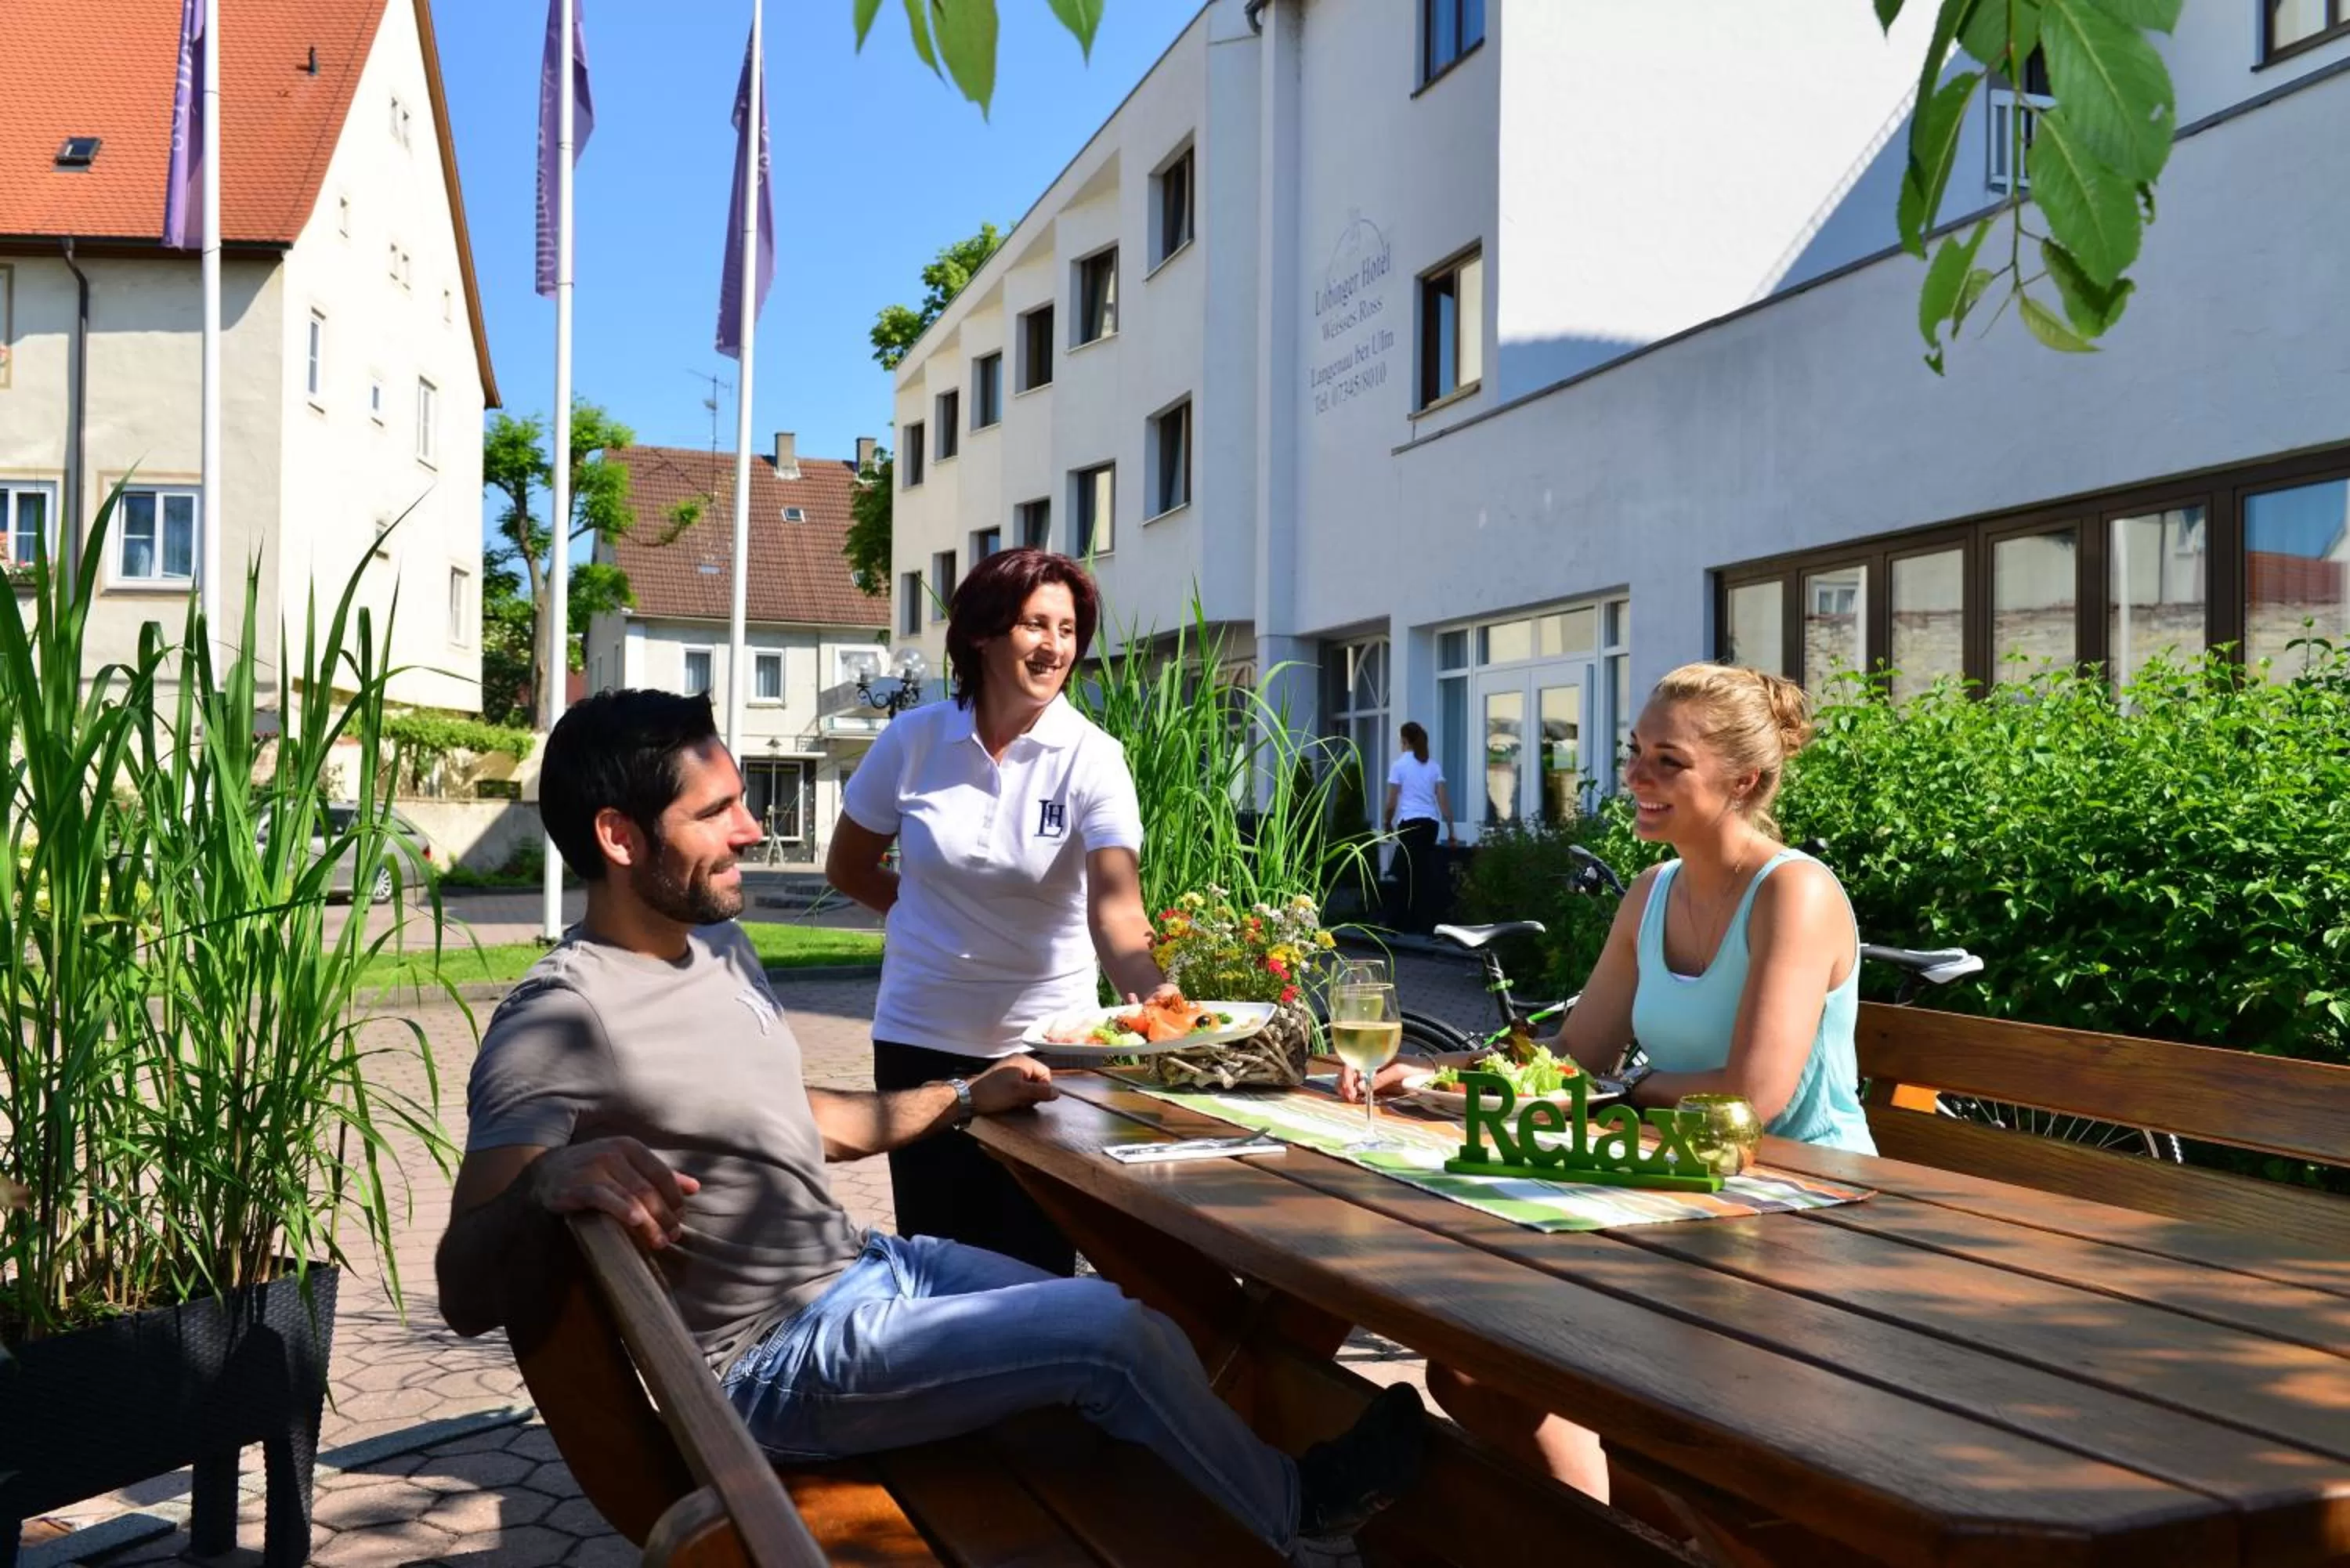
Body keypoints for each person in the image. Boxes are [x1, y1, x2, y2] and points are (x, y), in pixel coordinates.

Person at [433, 690, 1429, 1557]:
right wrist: (541, 1184)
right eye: (720, 811)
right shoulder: (561, 1015)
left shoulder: (716, 945)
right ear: (619, 837)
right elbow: (465, 1285)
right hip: (774, 1364)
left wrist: (963, 1096)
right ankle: (1298, 1515)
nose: (752, 831)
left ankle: (1216, 1503)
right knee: (1108, 1337)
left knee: (1136, 1319)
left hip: (870, 1270)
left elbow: (802, 1118)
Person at [1342, 662, 1868, 1504]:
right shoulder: (1650, 893)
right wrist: (1431, 1070)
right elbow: (1579, 1053)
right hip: (1676, 1193)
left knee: (1583, 1378)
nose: (1636, 778)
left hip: (1806, 1207)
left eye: (1668, 761)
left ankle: (1666, 1528)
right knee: (1474, 1368)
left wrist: (1618, 1093)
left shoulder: (1794, 892)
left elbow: (1751, 1098)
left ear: (1747, 780)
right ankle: (1633, 1533)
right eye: (1635, 754)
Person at [825, 549, 1174, 1277]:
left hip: (1045, 1048)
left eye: (1069, 629)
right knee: (936, 1258)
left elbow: (1116, 908)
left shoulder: (1093, 758)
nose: (1055, 646)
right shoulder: (914, 740)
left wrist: (1154, 995)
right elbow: (849, 867)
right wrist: (926, 914)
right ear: (982, 634)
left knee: (1036, 1261)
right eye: (1034, 624)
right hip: (920, 1038)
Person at [1382, 722, 1453, 934]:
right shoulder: (1433, 766)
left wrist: (1387, 824)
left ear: (1404, 741)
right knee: (1422, 872)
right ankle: (1423, 923)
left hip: (1410, 823)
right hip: (1430, 824)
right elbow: (1442, 801)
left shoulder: (1400, 766)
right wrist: (1451, 829)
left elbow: (1391, 803)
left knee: (1403, 873)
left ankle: (1398, 923)